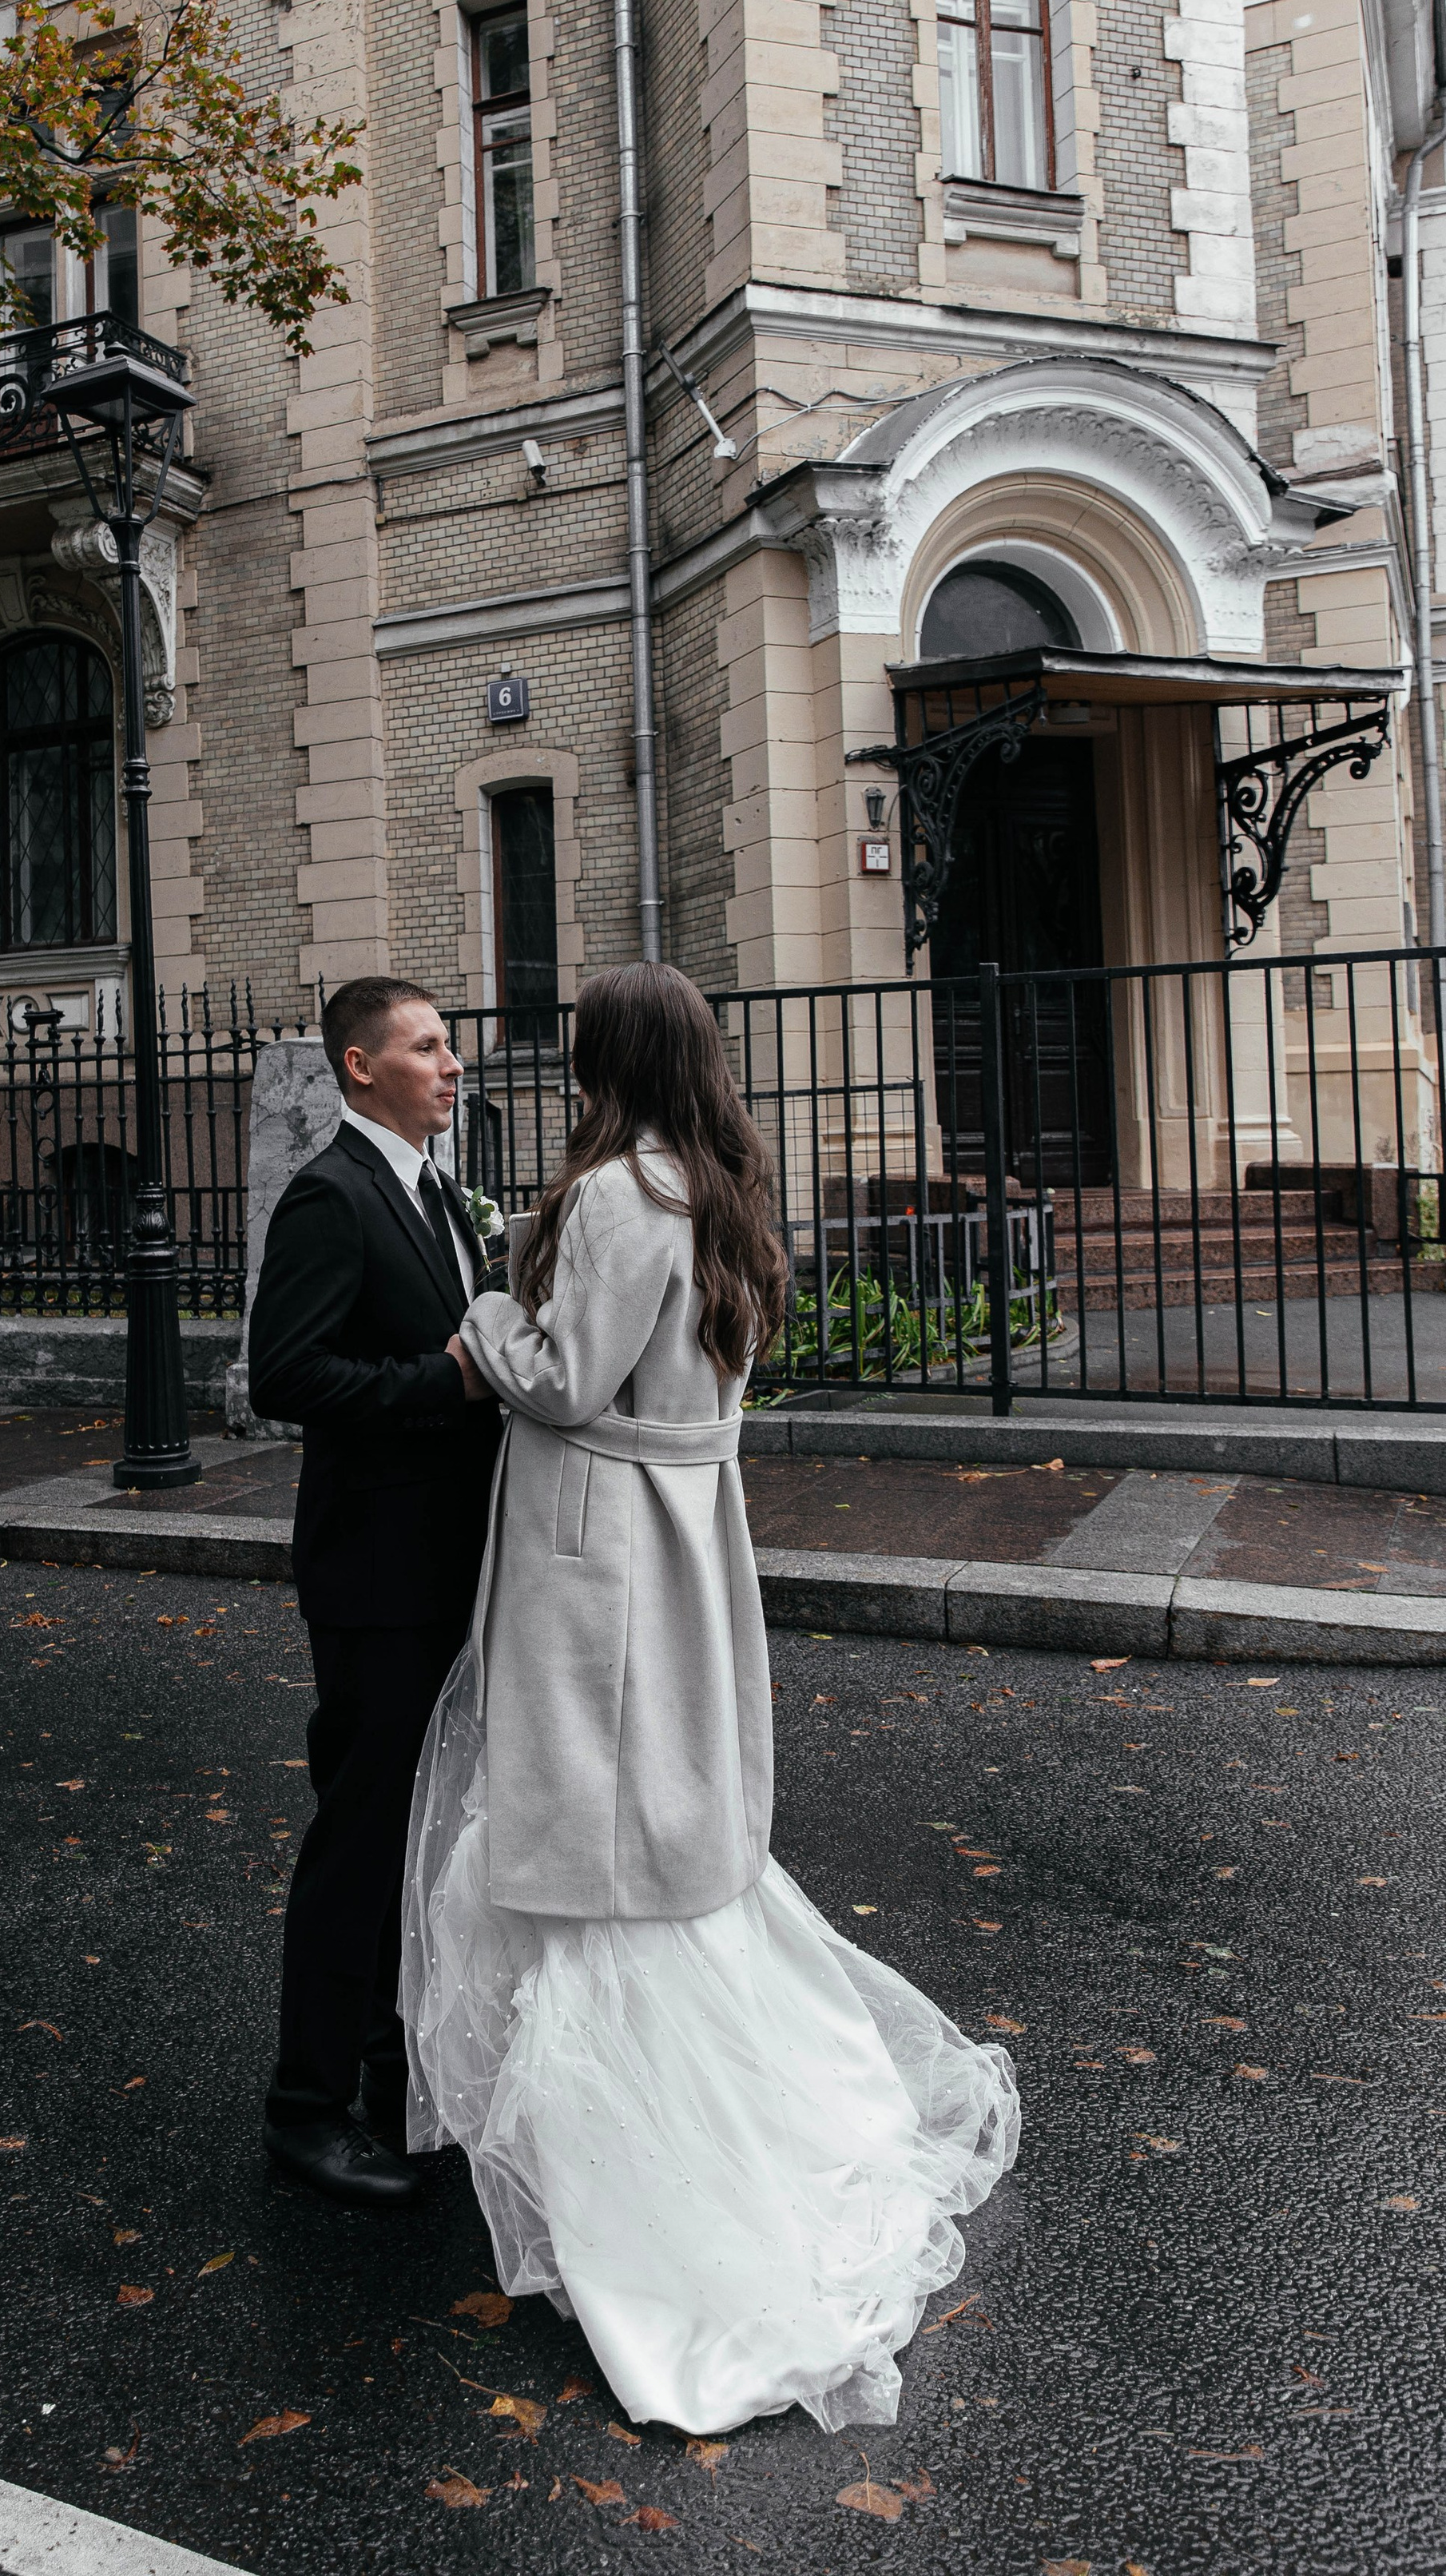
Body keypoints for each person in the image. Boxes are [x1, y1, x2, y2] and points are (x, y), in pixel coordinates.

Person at [403, 960, 1019, 2433]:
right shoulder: (719, 1184)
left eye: (579, 1050)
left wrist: (488, 1315)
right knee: (655, 1825)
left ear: (612, 1058)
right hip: (680, 1534)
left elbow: (563, 1379)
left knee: (595, 1834)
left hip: (604, 1547)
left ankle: (652, 2180)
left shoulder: (624, 1192)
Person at [248, 976, 501, 2207]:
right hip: (373, 1574)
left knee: (422, 1836)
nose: (453, 1067)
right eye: (428, 1048)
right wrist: (438, 1385)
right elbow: (286, 1376)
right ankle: (307, 2111)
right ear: (360, 1067)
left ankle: (395, 2076)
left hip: (451, 1566)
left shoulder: (441, 1191)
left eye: (452, 1048)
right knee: (361, 1840)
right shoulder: (329, 1195)